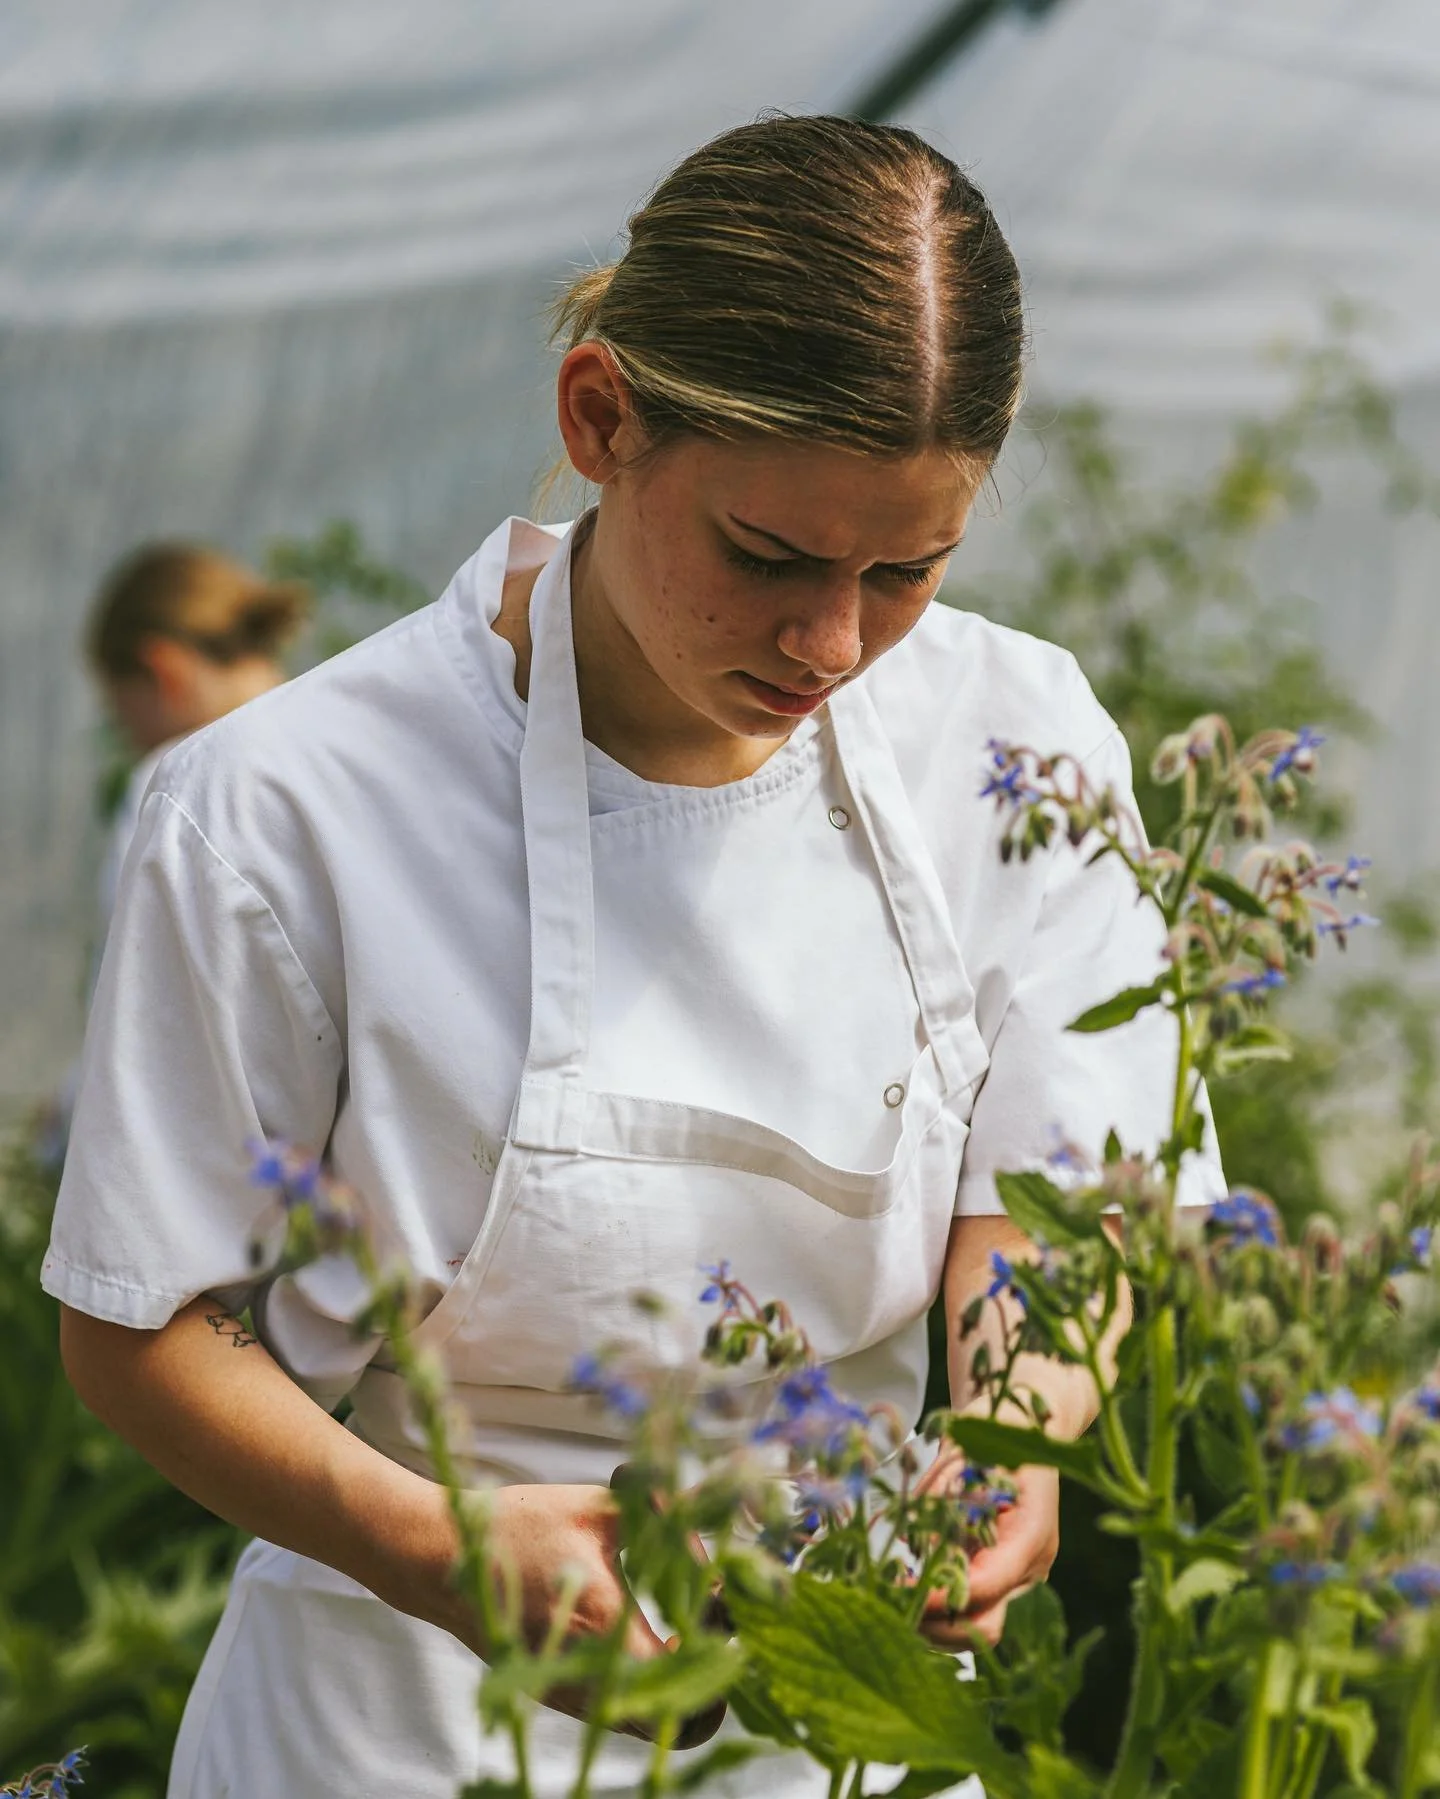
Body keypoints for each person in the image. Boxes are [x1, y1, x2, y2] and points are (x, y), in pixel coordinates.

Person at [45, 116, 1223, 1797]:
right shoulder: (282, 805)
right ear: (601, 419)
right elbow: (143, 1320)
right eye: (771, 556)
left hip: (848, 1700)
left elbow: (1061, 1190)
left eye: (907, 569)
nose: (832, 640)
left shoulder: (1015, 740)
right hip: (395, 1710)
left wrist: (1013, 1429)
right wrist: (438, 1535)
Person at [33, 544, 306, 1171]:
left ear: (165, 672)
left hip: (223, 1176)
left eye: (119, 712)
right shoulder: (348, 747)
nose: (127, 735)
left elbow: (131, 1016)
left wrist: (66, 1121)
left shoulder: (172, 781)